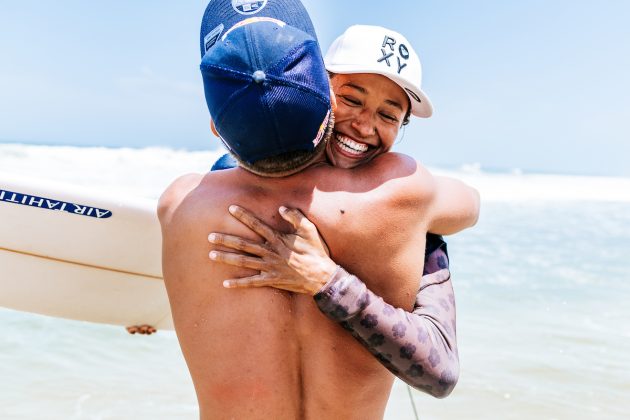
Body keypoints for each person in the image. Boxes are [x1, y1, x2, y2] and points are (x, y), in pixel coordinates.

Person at [159, 2, 478, 419]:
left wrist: (325, 279)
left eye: (388, 114)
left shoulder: (186, 202)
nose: (364, 126)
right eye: (351, 98)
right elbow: (469, 205)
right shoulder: (408, 195)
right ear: (314, 85)